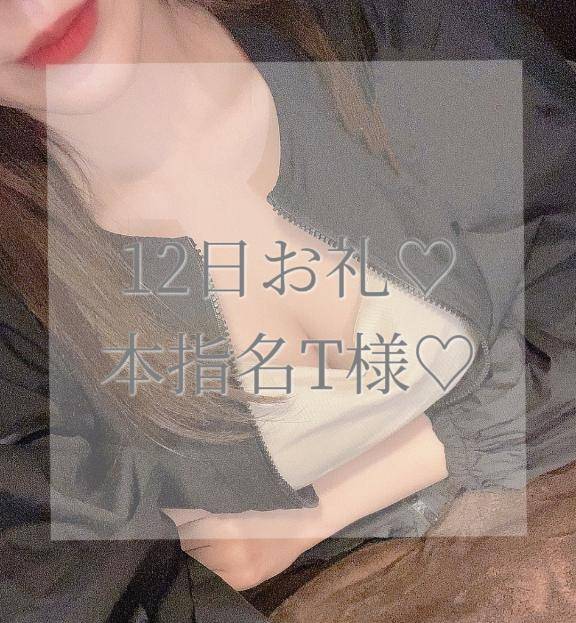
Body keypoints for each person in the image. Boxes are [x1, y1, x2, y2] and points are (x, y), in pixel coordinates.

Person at [0, 1, 574, 622]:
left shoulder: (403, 33)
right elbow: (72, 583)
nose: (23, 10)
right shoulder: (22, 299)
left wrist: (317, 513)